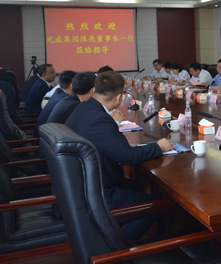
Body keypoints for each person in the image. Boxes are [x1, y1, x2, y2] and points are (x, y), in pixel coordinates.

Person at [65, 71, 174, 242]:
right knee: (155, 204)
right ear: (118, 98)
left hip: (78, 184)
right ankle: (116, 248)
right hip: (93, 192)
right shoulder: (99, 120)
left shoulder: (85, 107)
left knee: (138, 187)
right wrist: (159, 147)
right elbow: (127, 156)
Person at [35, 70, 76, 137]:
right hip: (44, 138)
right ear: (72, 85)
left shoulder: (58, 92)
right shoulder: (66, 100)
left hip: (45, 136)